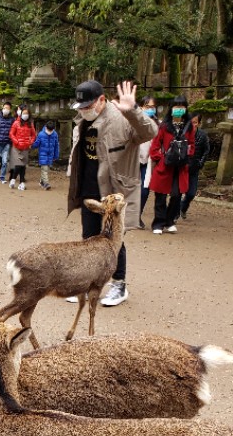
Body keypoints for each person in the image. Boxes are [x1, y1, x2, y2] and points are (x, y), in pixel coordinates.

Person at [68, 79, 157, 306]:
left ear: (101, 100)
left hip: (114, 193)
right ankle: (88, 283)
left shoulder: (121, 119)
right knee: (89, 238)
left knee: (114, 240)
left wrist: (133, 112)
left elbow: (150, 132)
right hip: (88, 189)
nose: (84, 110)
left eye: (88, 105)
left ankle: (119, 285)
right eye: (81, 106)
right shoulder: (82, 120)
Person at [149, 95, 195, 234]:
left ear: (186, 108)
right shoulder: (164, 126)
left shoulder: (189, 126)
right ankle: (158, 223)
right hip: (165, 165)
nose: (179, 109)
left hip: (180, 167)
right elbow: (155, 147)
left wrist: (187, 155)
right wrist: (162, 158)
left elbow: (192, 144)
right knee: (160, 196)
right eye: (176, 106)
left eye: (182, 106)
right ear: (171, 108)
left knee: (176, 195)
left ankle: (169, 221)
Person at [179, 113, 209, 220]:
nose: (192, 124)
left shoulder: (202, 136)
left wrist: (200, 163)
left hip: (194, 168)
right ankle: (174, 214)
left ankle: (183, 208)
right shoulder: (182, 134)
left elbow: (206, 150)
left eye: (195, 122)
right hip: (182, 167)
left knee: (191, 193)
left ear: (199, 123)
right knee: (178, 192)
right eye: (190, 122)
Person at [138, 95, 159, 228]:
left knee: (144, 190)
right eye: (147, 106)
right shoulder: (133, 121)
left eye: (152, 107)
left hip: (148, 161)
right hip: (132, 160)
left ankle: (136, 215)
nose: (150, 109)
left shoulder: (159, 124)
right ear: (141, 107)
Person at [9, 105, 36, 190]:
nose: (25, 115)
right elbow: (11, 134)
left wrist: (30, 142)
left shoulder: (30, 124)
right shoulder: (16, 123)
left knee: (23, 165)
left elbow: (34, 135)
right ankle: (14, 179)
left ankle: (21, 182)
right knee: (18, 164)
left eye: (27, 113)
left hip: (25, 147)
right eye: (24, 113)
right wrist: (16, 141)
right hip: (16, 147)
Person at [32, 120, 59, 190]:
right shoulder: (41, 134)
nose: (50, 131)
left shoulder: (55, 134)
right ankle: (46, 183)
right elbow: (37, 143)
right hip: (42, 154)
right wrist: (32, 145)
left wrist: (56, 155)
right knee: (45, 169)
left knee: (47, 169)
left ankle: (42, 181)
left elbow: (56, 145)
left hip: (51, 154)